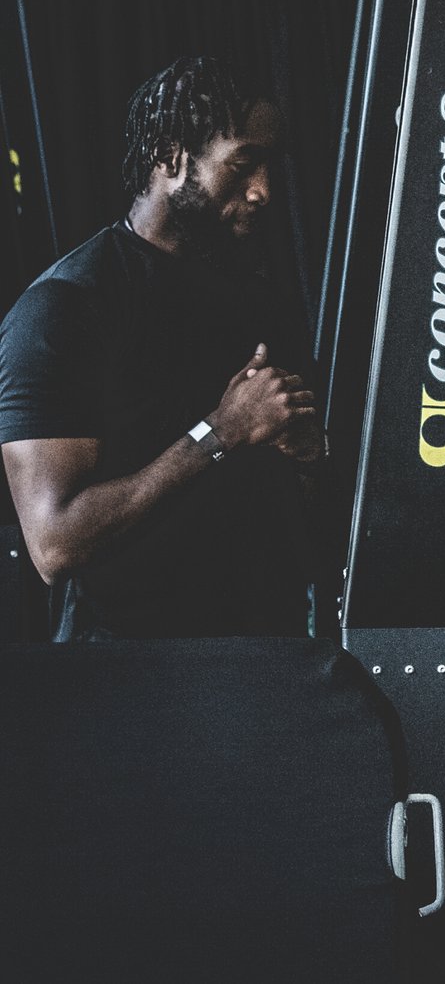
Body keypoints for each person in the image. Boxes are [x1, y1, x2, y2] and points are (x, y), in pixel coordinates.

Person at [0, 55, 320, 642]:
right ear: (170, 157)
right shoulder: (65, 308)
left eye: (270, 165)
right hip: (133, 670)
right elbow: (54, 544)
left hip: (269, 650)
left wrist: (305, 455)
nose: (263, 190)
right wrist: (220, 433)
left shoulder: (253, 298)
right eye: (243, 163)